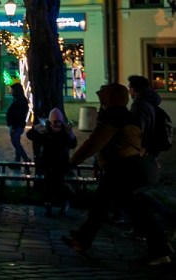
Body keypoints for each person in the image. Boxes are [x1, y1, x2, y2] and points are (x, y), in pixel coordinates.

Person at [62, 83, 172, 266]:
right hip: (125, 166)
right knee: (106, 205)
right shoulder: (124, 115)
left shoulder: (114, 116)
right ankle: (82, 240)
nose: (100, 96)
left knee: (132, 209)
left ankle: (160, 249)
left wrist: (73, 161)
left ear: (111, 97)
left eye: (103, 94)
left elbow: (95, 142)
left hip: (120, 168)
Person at [125, 74, 176, 239]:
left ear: (134, 89)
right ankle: (143, 227)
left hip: (141, 155)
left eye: (129, 87)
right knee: (137, 193)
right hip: (149, 154)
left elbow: (137, 130)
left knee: (135, 193)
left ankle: (165, 221)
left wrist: (136, 148)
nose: (128, 90)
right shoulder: (151, 103)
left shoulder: (140, 105)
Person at [26, 107, 77, 216]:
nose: (56, 124)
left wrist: (71, 134)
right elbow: (29, 135)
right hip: (47, 162)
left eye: (58, 122)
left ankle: (63, 204)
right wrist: (35, 128)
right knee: (48, 185)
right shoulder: (45, 130)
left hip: (60, 163)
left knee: (59, 184)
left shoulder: (64, 131)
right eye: (54, 122)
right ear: (50, 121)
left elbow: (73, 144)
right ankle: (49, 206)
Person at [6, 82, 32, 163]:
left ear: (17, 91)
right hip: (15, 125)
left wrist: (14, 127)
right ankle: (17, 161)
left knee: (16, 143)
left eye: (13, 90)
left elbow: (18, 115)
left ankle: (26, 159)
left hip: (17, 126)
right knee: (16, 142)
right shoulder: (17, 99)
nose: (11, 92)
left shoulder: (20, 101)